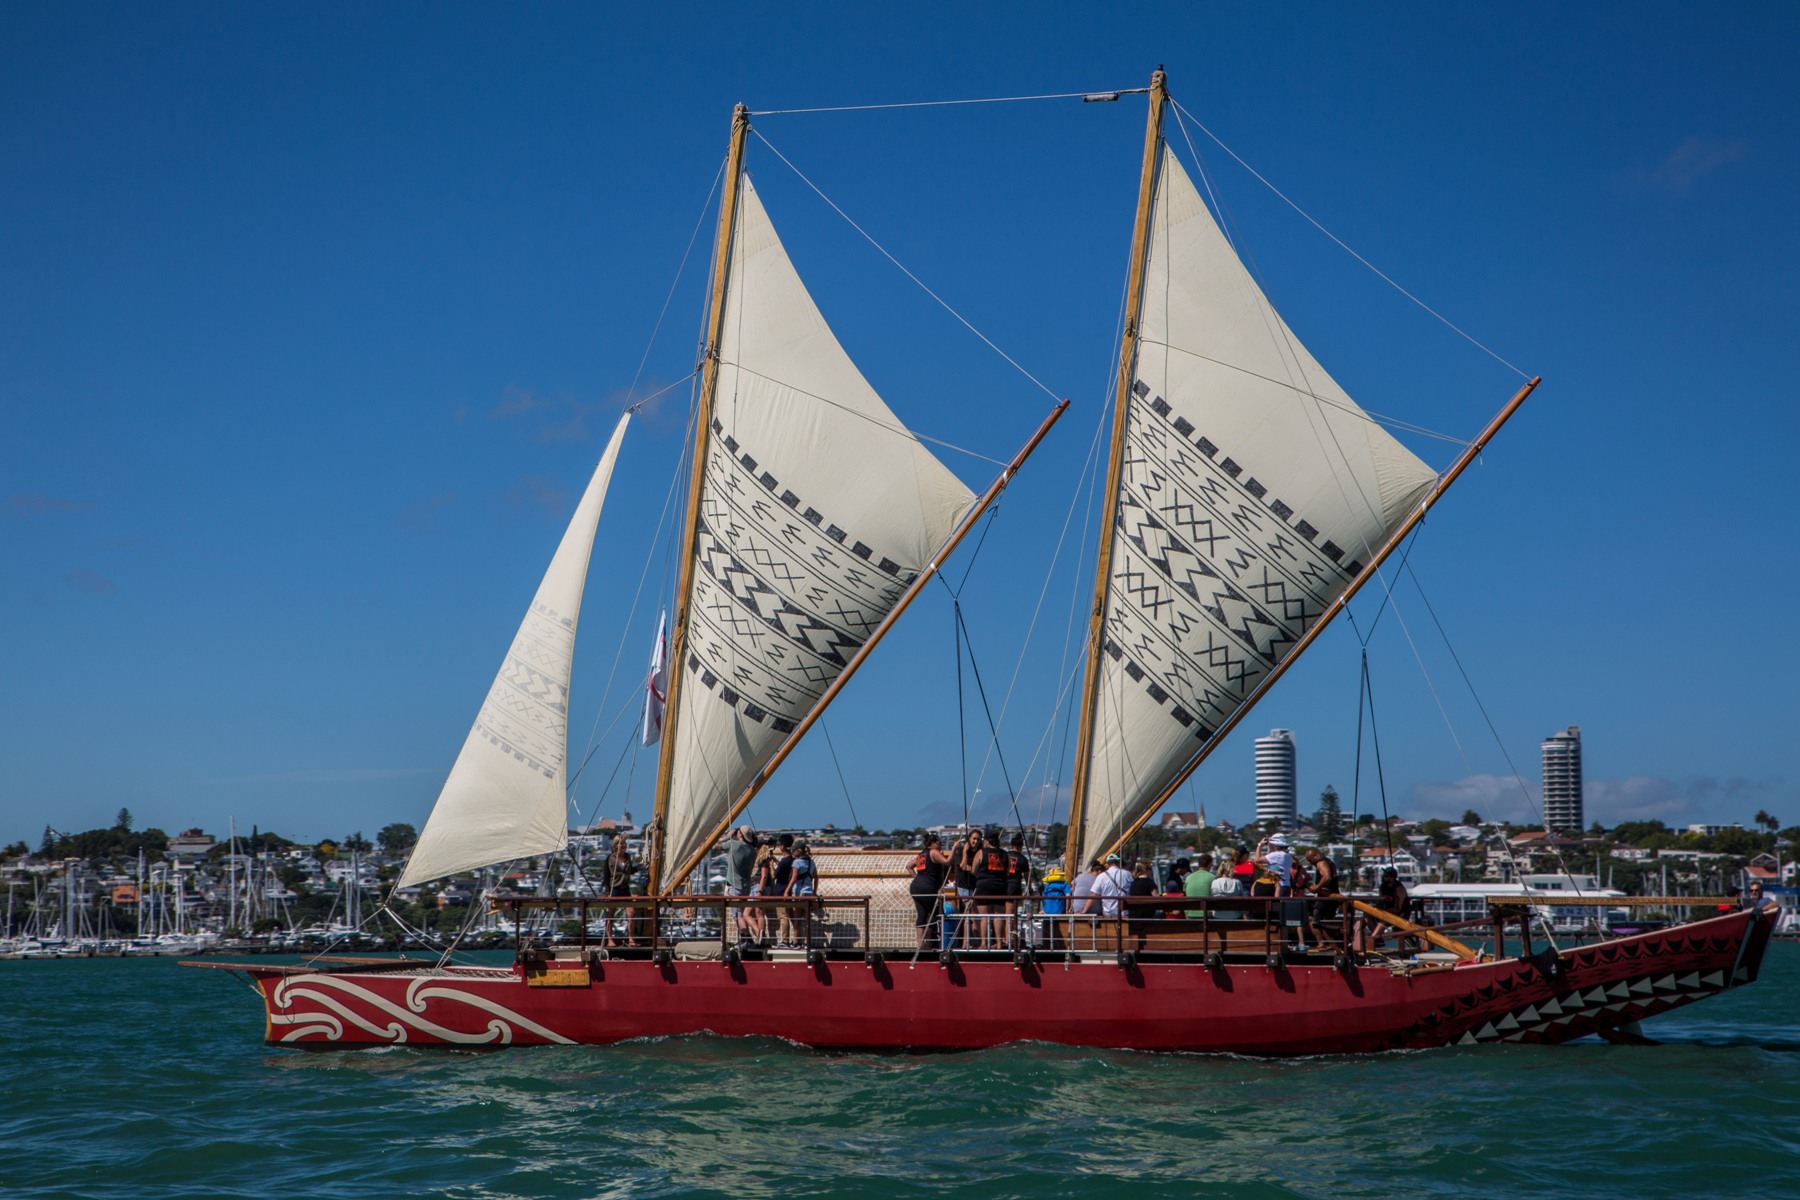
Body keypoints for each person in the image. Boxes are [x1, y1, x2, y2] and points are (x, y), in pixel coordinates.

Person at [908, 832, 951, 950]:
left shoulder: (922, 854)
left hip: (916, 887)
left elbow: (909, 866)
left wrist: (917, 878)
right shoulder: (933, 852)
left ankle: (921, 943)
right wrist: (955, 848)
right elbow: (947, 862)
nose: (941, 845)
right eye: (939, 843)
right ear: (932, 844)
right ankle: (930, 941)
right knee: (934, 912)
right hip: (928, 888)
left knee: (921, 914)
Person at [972, 830, 1011, 949]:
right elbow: (1008, 871)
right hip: (1000, 887)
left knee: (984, 916)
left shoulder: (981, 853)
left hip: (984, 887)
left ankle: (984, 943)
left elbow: (973, 870)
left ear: (987, 841)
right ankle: (999, 943)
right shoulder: (1004, 854)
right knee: (998, 915)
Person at [725, 827, 757, 943]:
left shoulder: (736, 845)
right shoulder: (752, 850)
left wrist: (729, 836)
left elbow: (719, 846)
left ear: (740, 834)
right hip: (746, 885)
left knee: (738, 914)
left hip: (735, 885)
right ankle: (746, 938)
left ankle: (746, 937)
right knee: (741, 912)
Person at [787, 841, 817, 948]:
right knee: (806, 918)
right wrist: (814, 892)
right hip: (809, 892)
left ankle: (796, 941)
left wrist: (787, 891)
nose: (791, 852)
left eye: (793, 850)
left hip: (799, 892)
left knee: (797, 918)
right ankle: (806, 941)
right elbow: (816, 877)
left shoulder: (796, 863)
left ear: (798, 851)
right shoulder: (811, 862)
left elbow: (794, 878)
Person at [747, 842, 777, 946]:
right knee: (750, 914)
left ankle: (760, 935)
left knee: (756, 913)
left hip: (758, 888)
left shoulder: (763, 861)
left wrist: (760, 891)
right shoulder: (765, 861)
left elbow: (764, 877)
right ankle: (760, 935)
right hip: (759, 888)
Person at [1086, 853, 1132, 919]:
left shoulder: (1101, 876)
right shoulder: (1127, 874)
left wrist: (1084, 911)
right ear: (1118, 863)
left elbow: (1094, 895)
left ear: (1107, 864)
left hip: (1108, 913)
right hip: (1124, 913)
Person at [1183, 852, 1217, 919]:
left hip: (1191, 914)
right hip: (1207, 914)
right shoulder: (1213, 878)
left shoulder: (1188, 878)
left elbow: (1185, 893)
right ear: (1209, 864)